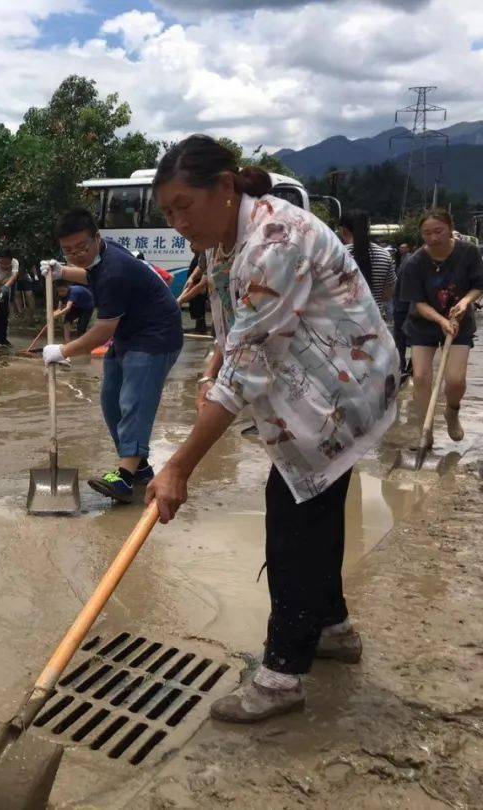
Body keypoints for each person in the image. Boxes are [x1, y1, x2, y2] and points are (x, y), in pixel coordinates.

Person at [143, 134, 398, 723]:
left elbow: (249, 370)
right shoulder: (224, 238)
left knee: (293, 524)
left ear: (226, 186)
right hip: (312, 383)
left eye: (186, 205)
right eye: (168, 213)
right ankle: (332, 627)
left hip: (341, 390)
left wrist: (178, 465)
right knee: (316, 507)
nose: (179, 222)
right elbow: (237, 333)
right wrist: (214, 365)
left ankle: (282, 676)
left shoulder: (273, 242)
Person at [40, 208, 183, 505]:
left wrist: (63, 351)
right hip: (130, 334)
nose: (76, 254)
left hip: (155, 336)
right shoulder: (102, 257)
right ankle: (140, 466)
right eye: (68, 250)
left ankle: (124, 475)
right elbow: (92, 276)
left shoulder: (116, 269)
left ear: (97, 238)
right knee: (110, 400)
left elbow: (103, 330)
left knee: (134, 400)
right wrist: (62, 272)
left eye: (82, 246)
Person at [399, 209, 483, 442]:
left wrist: (465, 301)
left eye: (439, 231)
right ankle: (424, 429)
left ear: (450, 227)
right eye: (427, 233)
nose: (433, 238)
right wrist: (441, 320)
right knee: (422, 376)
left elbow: (478, 287)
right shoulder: (414, 262)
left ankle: (452, 412)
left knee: (455, 379)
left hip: (459, 323)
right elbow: (418, 303)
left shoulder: (469, 252)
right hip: (424, 324)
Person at [337, 210, 395, 309]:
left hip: (344, 320)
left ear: (344, 230)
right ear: (367, 229)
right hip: (374, 319)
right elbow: (387, 296)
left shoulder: (338, 254)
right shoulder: (385, 255)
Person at [392, 240, 417, 382]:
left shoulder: (410, 261)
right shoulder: (411, 260)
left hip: (404, 306)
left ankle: (403, 368)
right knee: (410, 339)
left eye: (403, 247)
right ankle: (408, 368)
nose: (401, 249)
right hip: (405, 306)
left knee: (401, 340)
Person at [177, 249, 209, 334]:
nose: (191, 246)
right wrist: (191, 278)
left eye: (192, 243)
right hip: (195, 288)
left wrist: (181, 300)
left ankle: (201, 329)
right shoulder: (203, 255)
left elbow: (202, 284)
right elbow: (200, 267)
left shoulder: (209, 250)